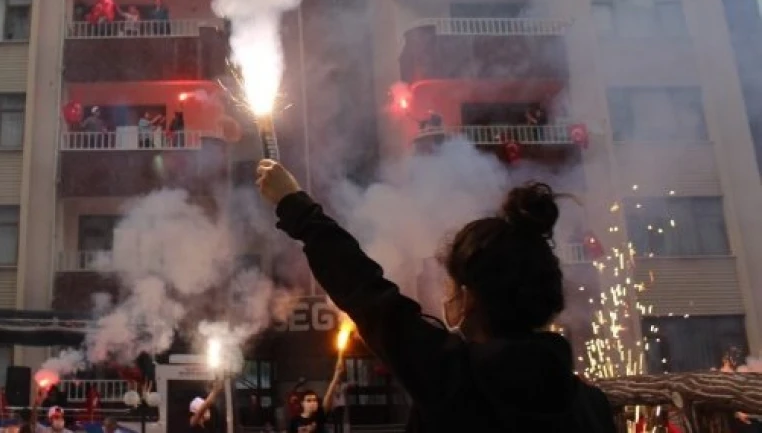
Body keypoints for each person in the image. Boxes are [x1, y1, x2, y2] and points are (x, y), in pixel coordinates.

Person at [254, 160, 616, 433]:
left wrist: (295, 207)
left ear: (469, 297)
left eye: (451, 283)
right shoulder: (592, 407)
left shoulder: (454, 377)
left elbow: (366, 292)